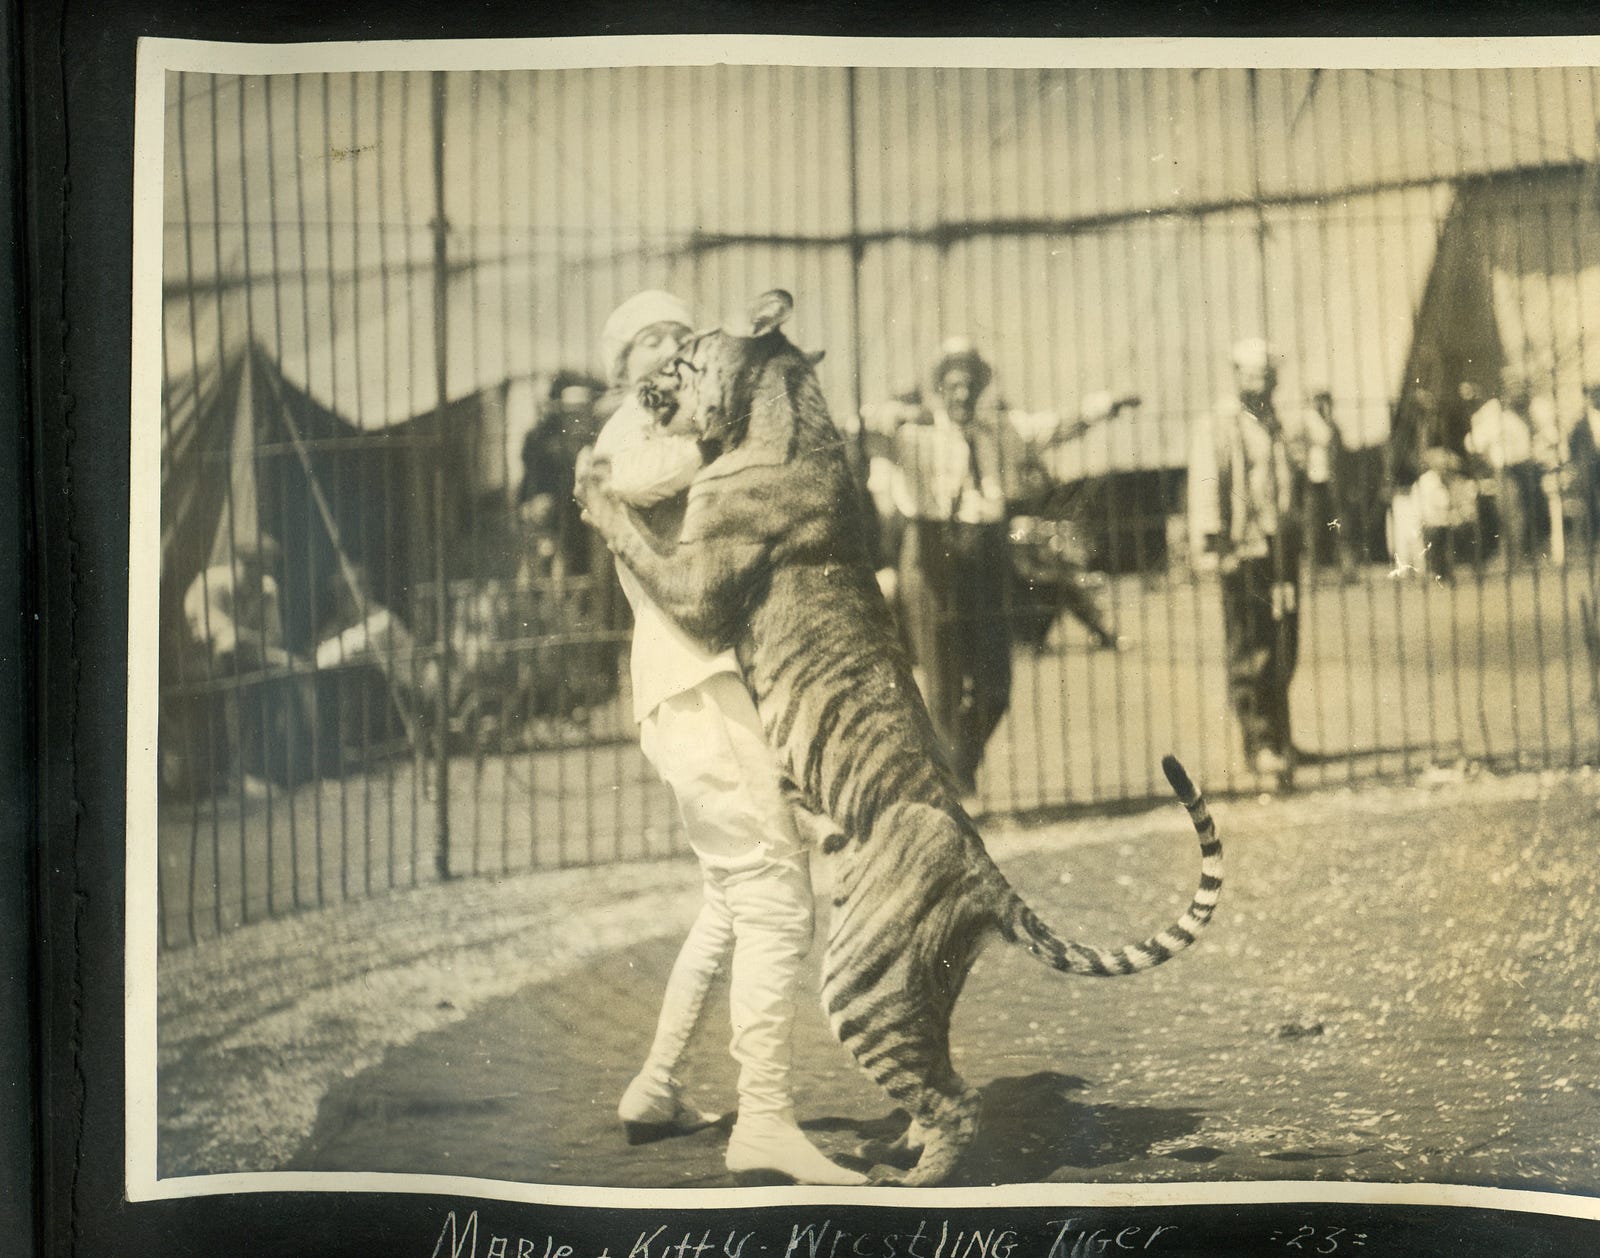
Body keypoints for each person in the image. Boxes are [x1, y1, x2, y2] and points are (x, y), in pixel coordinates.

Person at [587, 290, 865, 1187]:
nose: (667, 347)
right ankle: (768, 1123)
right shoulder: (628, 435)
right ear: (620, 368)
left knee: (727, 903)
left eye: (678, 334)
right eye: (644, 342)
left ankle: (658, 1087)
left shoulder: (664, 423)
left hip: (700, 690)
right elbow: (635, 478)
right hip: (694, 690)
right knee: (778, 899)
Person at [876, 338, 1020, 796]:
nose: (963, 395)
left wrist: (1105, 406)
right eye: (953, 386)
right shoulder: (914, 433)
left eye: (970, 385)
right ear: (939, 389)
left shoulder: (998, 431)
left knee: (996, 684)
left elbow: (1054, 427)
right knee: (941, 677)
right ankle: (951, 779)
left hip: (986, 551)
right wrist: (893, 415)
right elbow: (860, 427)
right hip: (932, 549)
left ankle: (960, 760)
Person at [1189, 339, 1305, 791]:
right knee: (1249, 645)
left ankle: (1281, 733)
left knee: (1284, 640)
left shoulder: (1275, 423)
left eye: (1267, 377)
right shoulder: (1220, 424)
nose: (1260, 385)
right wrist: (1216, 543)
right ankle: (1259, 743)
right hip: (1243, 546)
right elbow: (1206, 483)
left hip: (1279, 545)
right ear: (1237, 377)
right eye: (1251, 376)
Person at [1465, 376, 1543, 562]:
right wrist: (1489, 460)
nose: (1519, 394)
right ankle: (1513, 557)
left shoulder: (1522, 413)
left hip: (1525, 467)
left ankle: (1524, 553)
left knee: (1526, 512)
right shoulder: (1493, 414)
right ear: (1504, 392)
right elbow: (1473, 443)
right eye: (1513, 389)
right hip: (1506, 469)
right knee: (1511, 512)